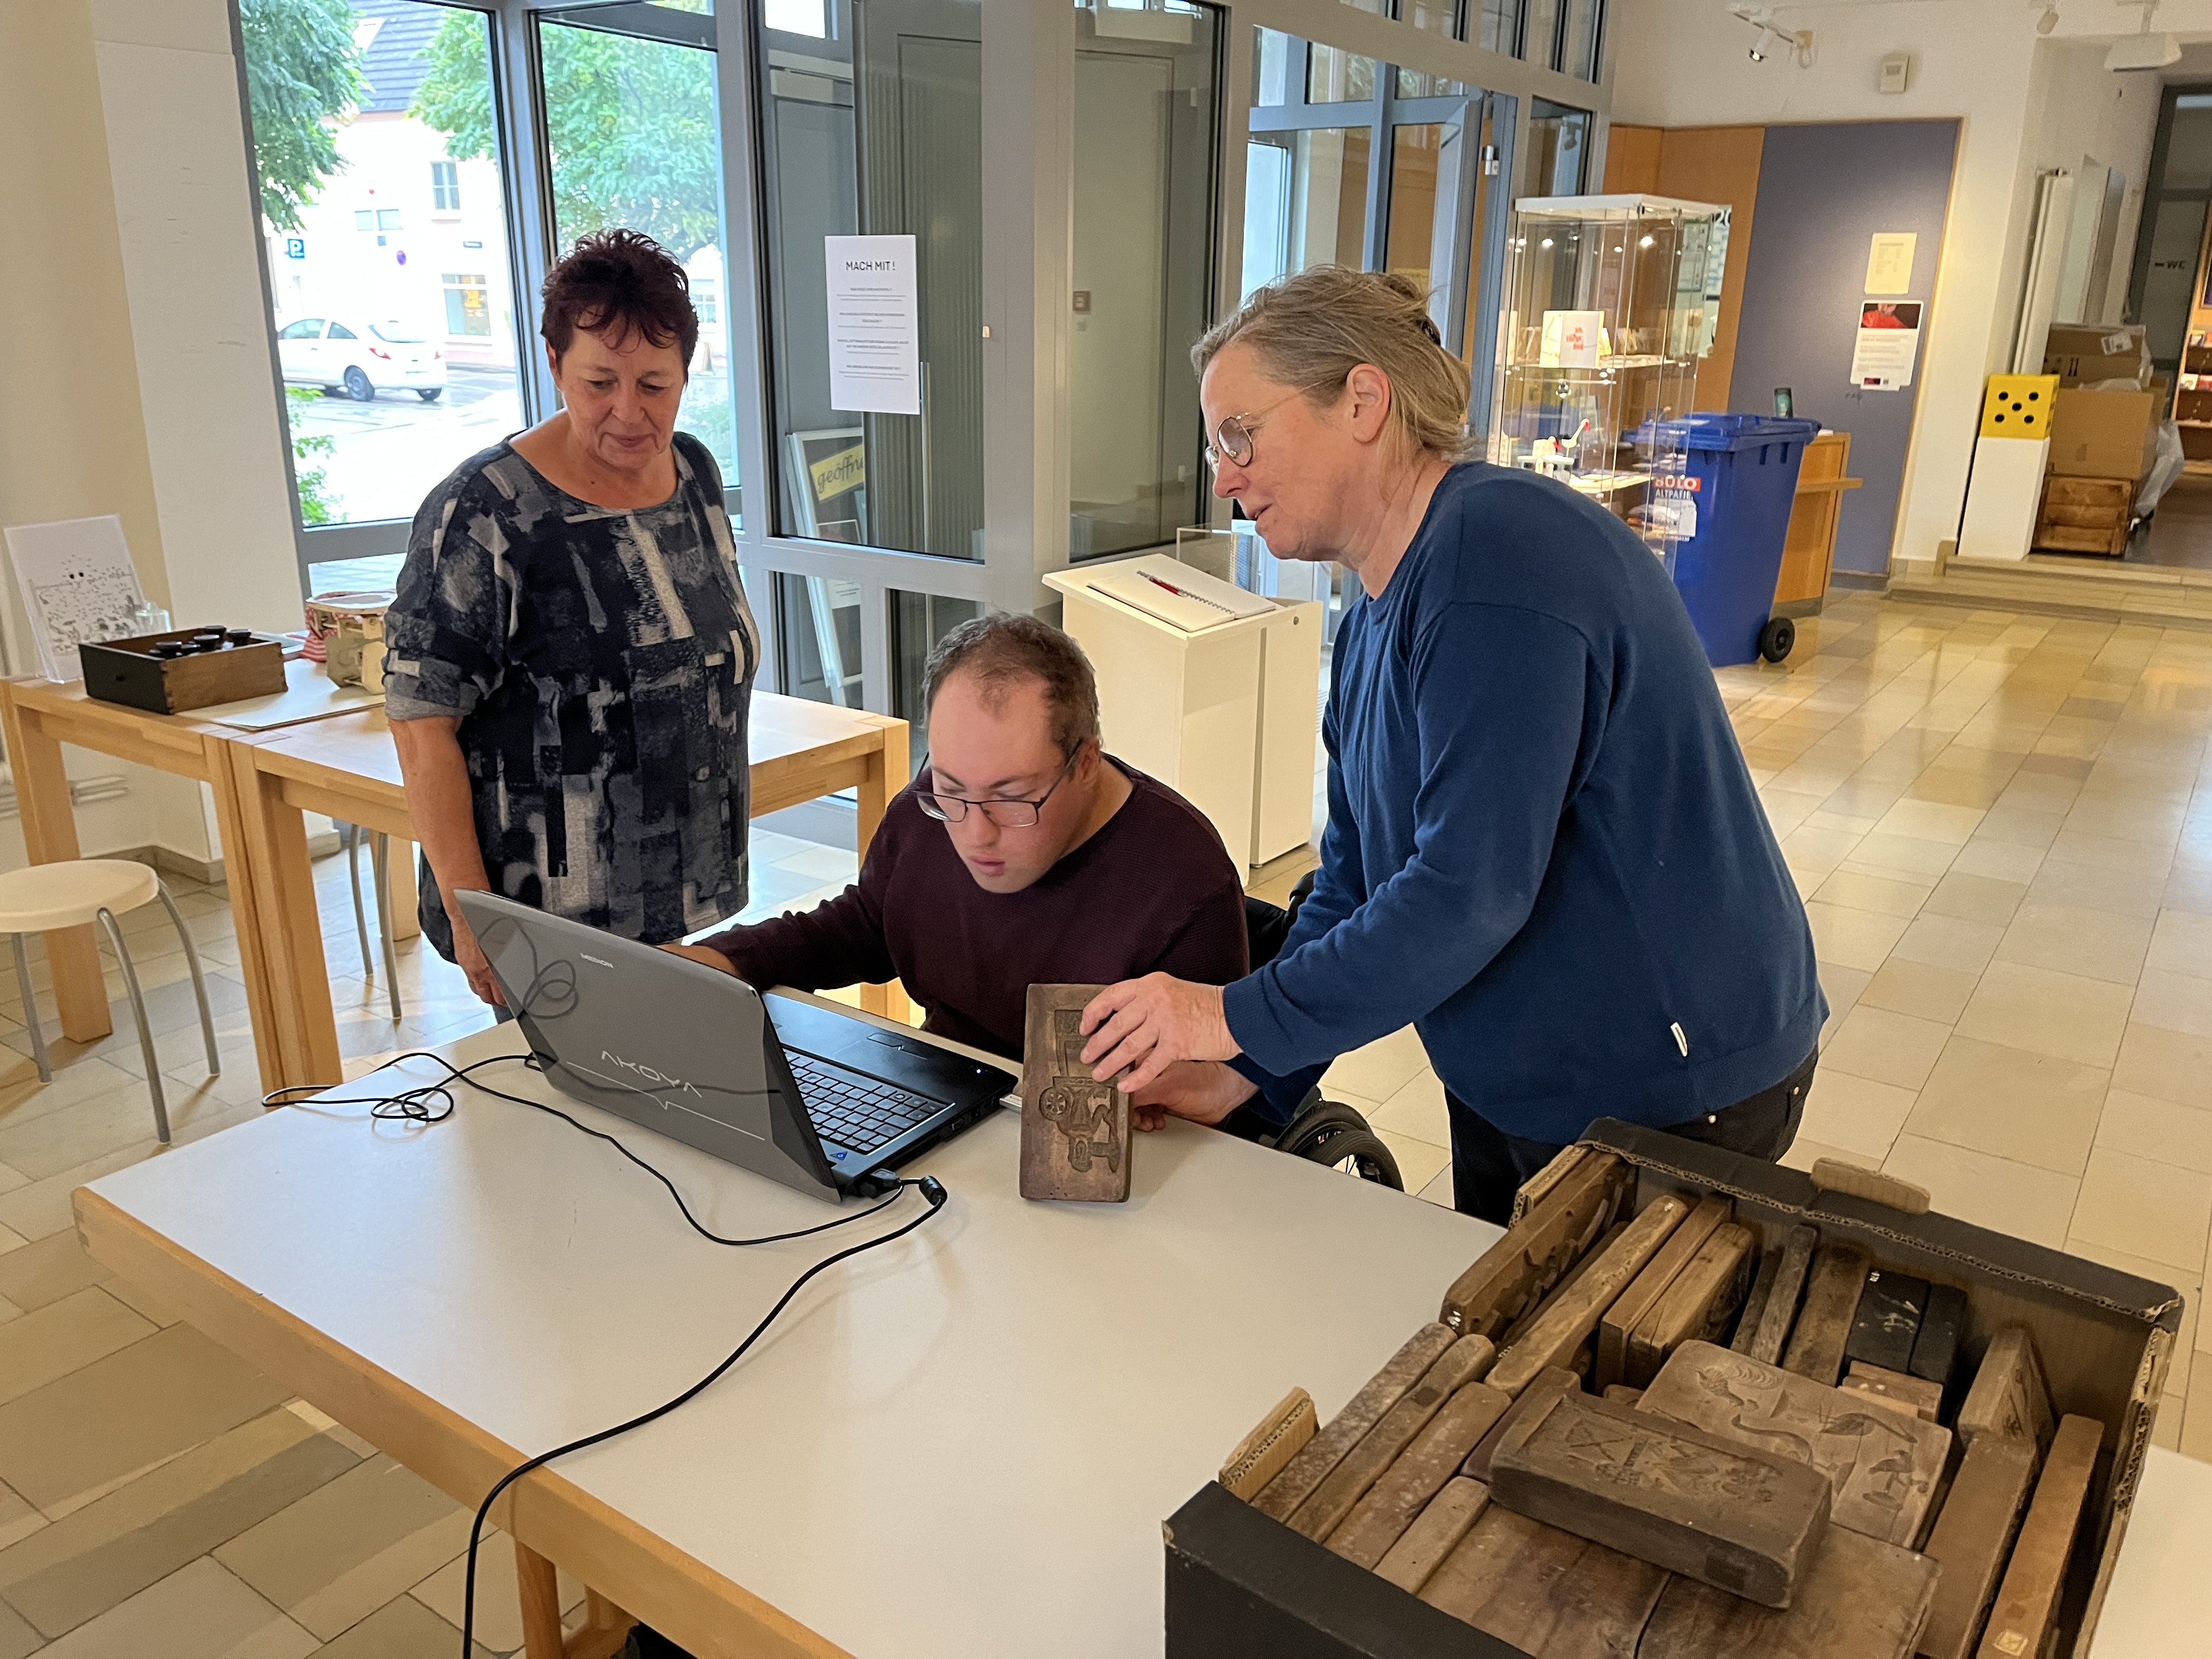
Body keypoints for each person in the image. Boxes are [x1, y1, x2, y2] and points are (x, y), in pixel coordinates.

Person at [1077, 266, 1825, 1224]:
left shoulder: (1498, 553)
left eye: (1240, 434)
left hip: (1663, 1089)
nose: (1224, 477)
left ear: (1361, 399)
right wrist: (1251, 1072)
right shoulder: (1370, 617)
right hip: (1513, 1071)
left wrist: (1218, 1014)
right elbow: (1353, 880)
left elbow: (1466, 892)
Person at [383, 229, 757, 1005]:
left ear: (688, 374)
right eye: (599, 383)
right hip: (544, 912)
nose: (628, 412)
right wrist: (468, 911)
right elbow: (422, 725)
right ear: (554, 365)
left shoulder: (694, 474)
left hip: (672, 893)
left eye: (655, 385)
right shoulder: (486, 511)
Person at [664, 614, 1250, 1069]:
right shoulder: (923, 817)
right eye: (951, 789)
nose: (975, 832)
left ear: (1086, 762)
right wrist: (725, 960)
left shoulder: (1185, 881)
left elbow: (1203, 1100)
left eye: (1012, 798)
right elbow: (865, 927)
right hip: (951, 1094)